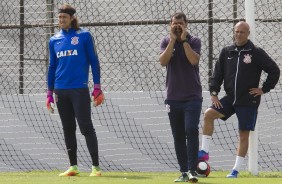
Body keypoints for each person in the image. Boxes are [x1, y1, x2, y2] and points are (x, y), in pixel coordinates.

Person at [198, 21, 280, 178]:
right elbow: (217, 74)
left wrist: (264, 89)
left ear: (248, 33)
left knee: (243, 135)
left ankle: (235, 170)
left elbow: (274, 70)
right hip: (230, 98)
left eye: (242, 32)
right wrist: (214, 93)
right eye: (236, 31)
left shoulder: (256, 52)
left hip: (248, 100)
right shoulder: (226, 52)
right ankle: (204, 152)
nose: (238, 34)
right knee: (209, 114)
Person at [46, 4, 105, 177]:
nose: (61, 20)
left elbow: (94, 61)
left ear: (72, 18)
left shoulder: (84, 36)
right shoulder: (54, 39)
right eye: (59, 17)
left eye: (64, 17)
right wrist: (49, 93)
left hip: (79, 90)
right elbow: (52, 67)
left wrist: (97, 87)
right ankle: (73, 166)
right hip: (60, 90)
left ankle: (95, 168)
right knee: (68, 128)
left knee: (86, 127)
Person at [159, 12, 202, 183]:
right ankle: (184, 171)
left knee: (191, 129)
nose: (177, 26)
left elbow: (194, 60)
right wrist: (172, 40)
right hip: (173, 97)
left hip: (192, 96)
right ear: (170, 24)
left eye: (180, 23)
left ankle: (192, 170)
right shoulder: (166, 41)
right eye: (174, 23)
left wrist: (183, 41)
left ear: (186, 24)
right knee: (178, 135)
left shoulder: (194, 41)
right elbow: (163, 61)